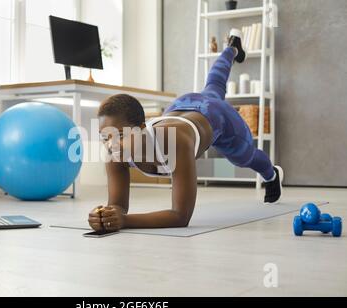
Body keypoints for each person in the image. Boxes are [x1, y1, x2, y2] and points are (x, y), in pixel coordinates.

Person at [89, 29, 283, 232]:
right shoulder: (114, 153)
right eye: (105, 137)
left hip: (218, 116)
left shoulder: (175, 142)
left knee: (245, 158)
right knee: (214, 86)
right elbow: (118, 208)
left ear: (139, 129)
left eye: (120, 135)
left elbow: (180, 216)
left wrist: (125, 221)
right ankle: (232, 48)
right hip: (183, 105)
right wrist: (104, 216)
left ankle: (271, 175)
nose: (111, 145)